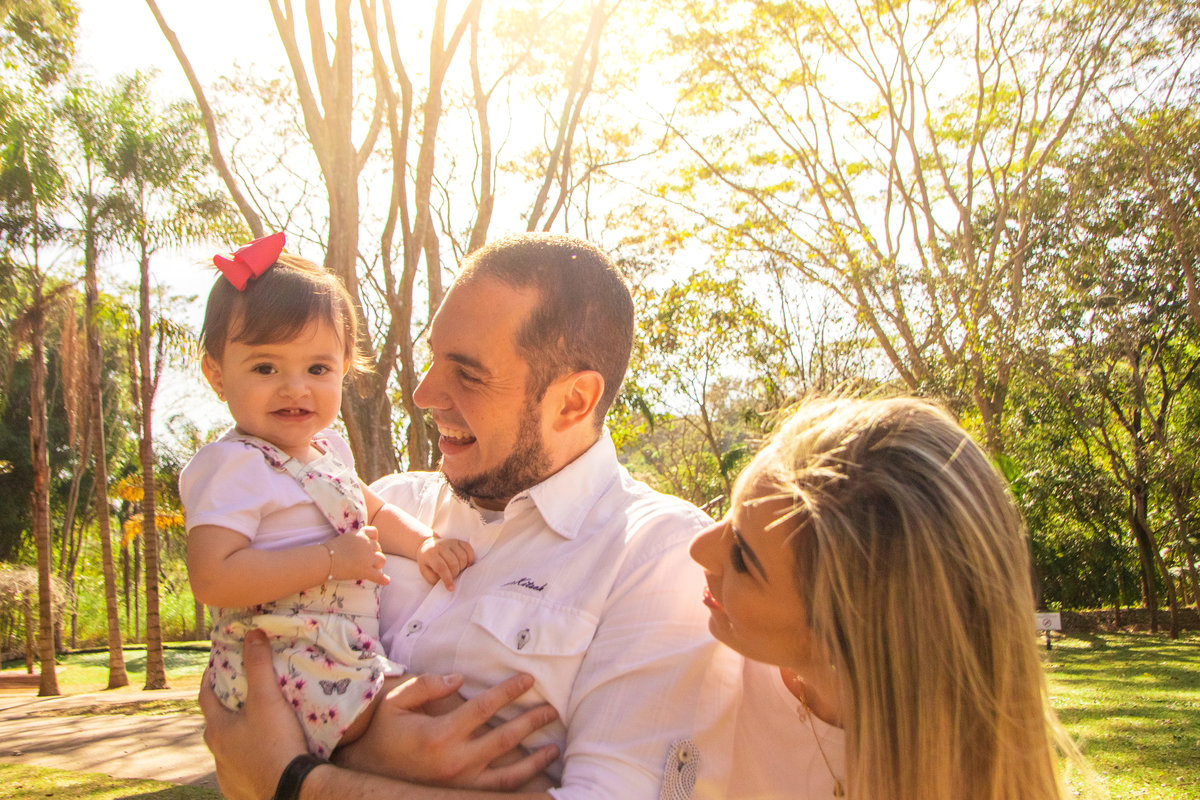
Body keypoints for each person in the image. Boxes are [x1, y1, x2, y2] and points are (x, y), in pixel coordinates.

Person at [198, 233, 740, 800]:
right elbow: (234, 712)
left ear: (574, 401)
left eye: (468, 374)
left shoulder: (658, 558)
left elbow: (258, 759)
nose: (424, 392)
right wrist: (364, 744)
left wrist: (298, 783)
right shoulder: (384, 506)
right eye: (433, 358)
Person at [690, 396, 1077, 799]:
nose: (699, 548)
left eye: (741, 558)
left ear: (851, 637)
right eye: (732, 514)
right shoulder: (693, 658)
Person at [182, 232, 475, 760]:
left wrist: (426, 544)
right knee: (448, 734)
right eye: (266, 368)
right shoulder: (232, 465)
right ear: (216, 374)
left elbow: (375, 510)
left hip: (335, 654)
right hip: (284, 661)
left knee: (450, 734)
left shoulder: (327, 450)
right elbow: (213, 577)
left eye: (317, 369)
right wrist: (330, 560)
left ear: (344, 369)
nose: (295, 387)